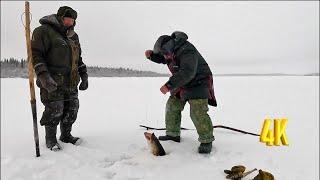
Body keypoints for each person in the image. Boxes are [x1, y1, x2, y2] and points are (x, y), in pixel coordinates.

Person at [145, 31, 217, 154]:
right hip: (183, 81)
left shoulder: (187, 51)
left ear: (169, 47)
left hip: (199, 82)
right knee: (172, 106)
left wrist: (169, 85)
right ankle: (173, 134)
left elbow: (187, 72)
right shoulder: (172, 51)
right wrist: (152, 56)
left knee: (197, 112)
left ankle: (206, 140)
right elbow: (165, 59)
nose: (165, 55)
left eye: (164, 52)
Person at [31, 6, 88, 151]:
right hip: (52, 81)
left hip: (71, 82)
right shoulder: (43, 31)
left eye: (72, 20)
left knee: (72, 110)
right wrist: (43, 76)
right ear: (60, 17)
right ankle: (50, 140)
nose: (70, 22)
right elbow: (36, 55)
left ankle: (66, 136)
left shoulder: (73, 36)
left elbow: (78, 59)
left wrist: (84, 75)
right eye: (67, 19)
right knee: (54, 110)